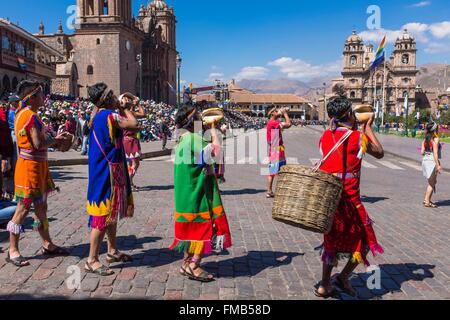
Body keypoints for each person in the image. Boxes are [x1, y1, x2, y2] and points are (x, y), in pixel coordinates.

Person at [314, 95, 384, 298]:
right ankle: (344, 277)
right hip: (351, 202)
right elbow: (379, 152)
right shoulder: (357, 138)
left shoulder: (325, 136)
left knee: (331, 241)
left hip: (331, 202)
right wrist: (367, 127)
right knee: (365, 241)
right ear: (349, 115)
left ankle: (325, 284)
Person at [6, 80, 72, 267]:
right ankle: (13, 250)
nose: (44, 97)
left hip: (35, 166)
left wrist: (53, 140)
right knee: (23, 209)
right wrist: (56, 140)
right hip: (30, 169)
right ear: (32, 98)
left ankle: (47, 243)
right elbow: (37, 144)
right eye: (41, 94)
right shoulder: (31, 116)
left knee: (41, 209)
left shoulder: (22, 114)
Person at [170, 104, 232, 282]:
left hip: (185, 193)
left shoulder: (183, 138)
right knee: (203, 228)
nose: (200, 120)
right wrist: (213, 129)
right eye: (197, 117)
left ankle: (186, 263)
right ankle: (194, 265)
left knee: (191, 230)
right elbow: (216, 153)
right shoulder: (193, 139)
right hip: (197, 192)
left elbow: (201, 160)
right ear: (191, 121)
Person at [85, 83, 138, 276]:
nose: (116, 96)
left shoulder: (100, 116)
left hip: (106, 169)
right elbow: (134, 124)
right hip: (105, 172)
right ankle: (91, 260)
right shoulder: (109, 115)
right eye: (112, 95)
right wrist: (124, 108)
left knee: (110, 212)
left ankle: (112, 250)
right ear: (106, 99)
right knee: (102, 214)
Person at [266, 106, 292, 198]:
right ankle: (281, 190)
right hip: (277, 149)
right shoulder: (274, 123)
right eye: (276, 111)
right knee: (282, 169)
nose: (278, 112)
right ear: (272, 113)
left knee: (272, 171)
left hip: (273, 148)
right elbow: (289, 124)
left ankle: (269, 191)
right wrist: (285, 113)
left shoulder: (271, 123)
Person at [122, 96, 145, 190]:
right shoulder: (130, 113)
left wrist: (134, 105)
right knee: (136, 163)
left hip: (126, 140)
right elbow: (143, 114)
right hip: (131, 140)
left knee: (130, 163)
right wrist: (138, 104)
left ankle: (130, 182)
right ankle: (128, 181)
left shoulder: (122, 113)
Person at [421, 122, 442, 208]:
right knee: (432, 183)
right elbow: (435, 154)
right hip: (432, 162)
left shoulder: (425, 139)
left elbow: (422, 152)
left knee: (432, 182)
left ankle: (427, 199)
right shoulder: (435, 140)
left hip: (425, 161)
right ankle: (427, 201)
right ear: (434, 130)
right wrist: (438, 165)